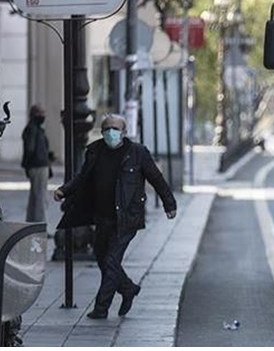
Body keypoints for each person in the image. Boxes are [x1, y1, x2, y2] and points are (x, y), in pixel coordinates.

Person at [54, 113, 177, 319]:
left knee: (111, 260)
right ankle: (128, 289)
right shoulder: (94, 151)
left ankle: (101, 308)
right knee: (103, 259)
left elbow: (156, 178)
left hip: (127, 217)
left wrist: (169, 204)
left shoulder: (137, 153)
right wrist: (64, 190)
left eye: (116, 128)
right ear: (102, 132)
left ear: (124, 132)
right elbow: (82, 177)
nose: (111, 132)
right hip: (102, 216)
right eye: (107, 128)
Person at [21, 104, 53, 224]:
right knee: (40, 197)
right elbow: (30, 149)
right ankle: (40, 224)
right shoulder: (33, 129)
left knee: (35, 196)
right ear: (34, 115)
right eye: (40, 113)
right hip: (38, 166)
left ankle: (32, 222)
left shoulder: (34, 129)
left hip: (38, 165)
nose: (43, 116)